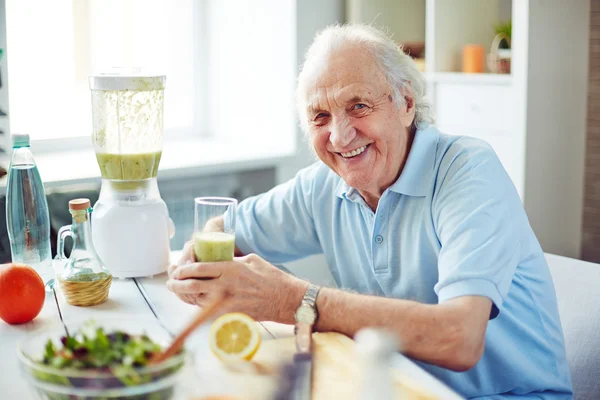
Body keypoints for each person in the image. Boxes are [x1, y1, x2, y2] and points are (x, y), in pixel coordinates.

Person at [167, 23, 573, 399]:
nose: (340, 135)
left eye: (359, 106)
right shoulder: (323, 185)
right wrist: (197, 257)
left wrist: (296, 301)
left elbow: (459, 337)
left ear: (406, 104)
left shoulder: (468, 170)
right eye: (320, 116)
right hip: (398, 386)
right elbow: (226, 227)